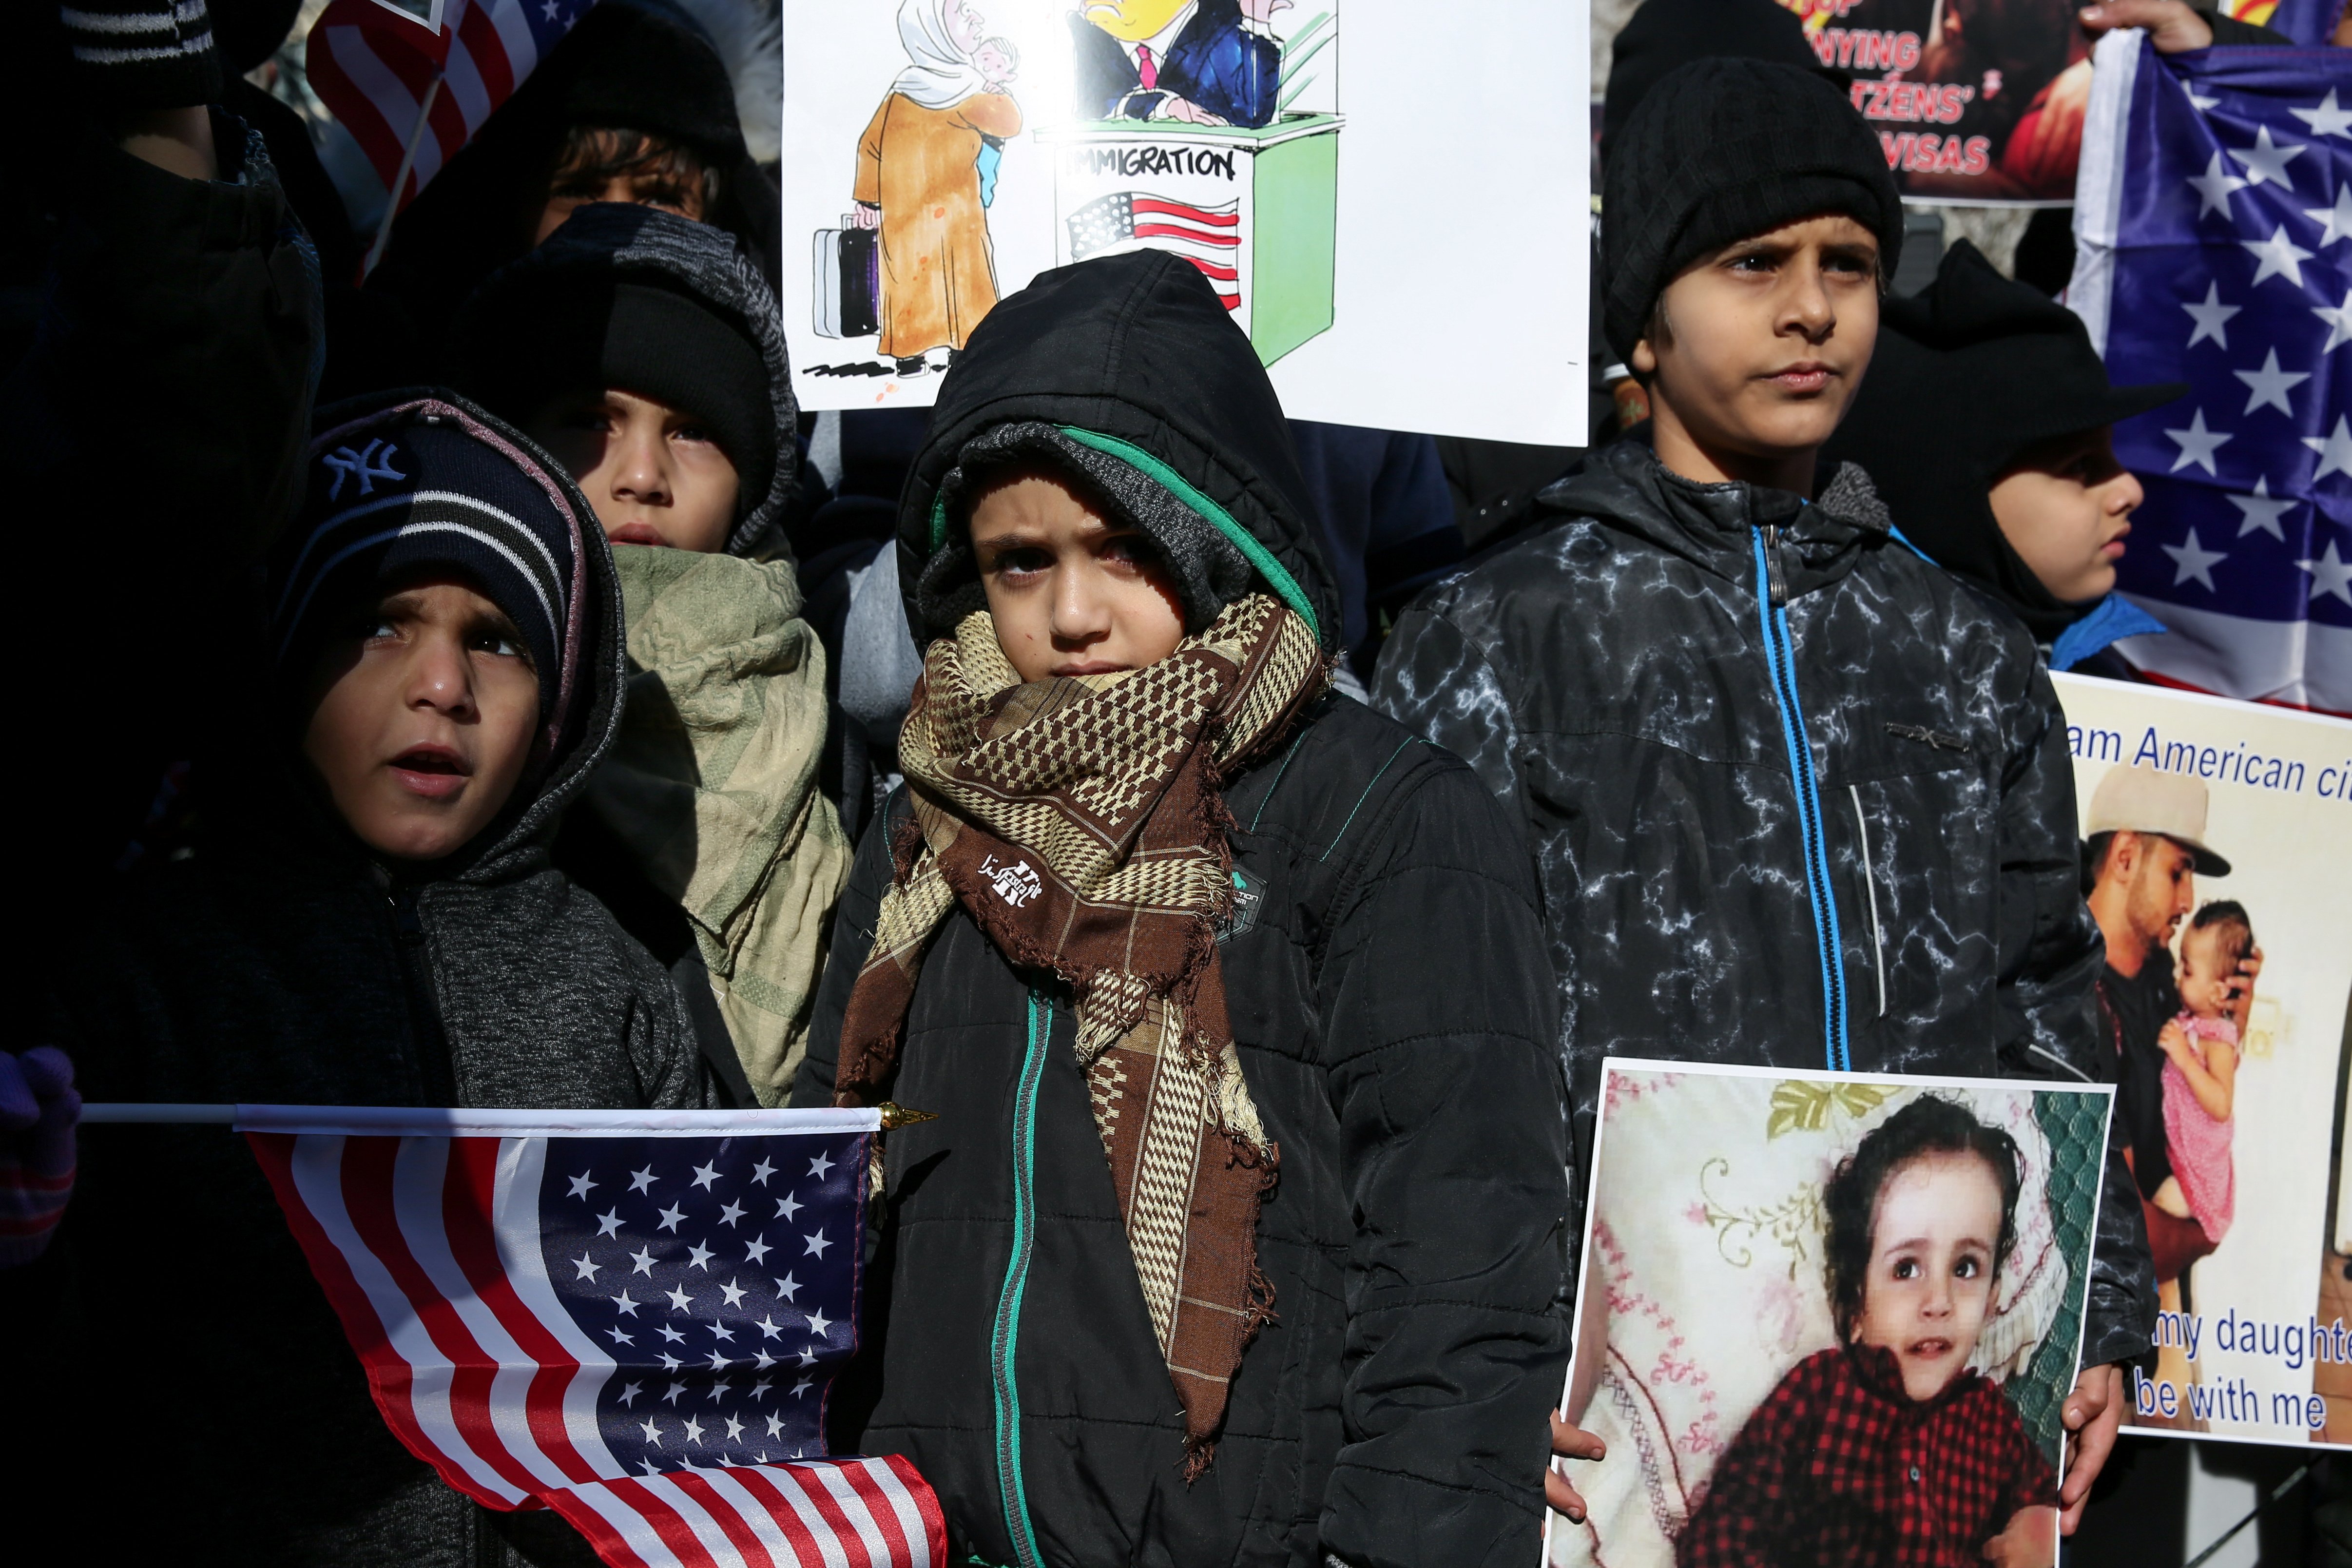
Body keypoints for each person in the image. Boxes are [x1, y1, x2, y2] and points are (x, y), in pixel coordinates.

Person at [1369, 57, 2152, 1535]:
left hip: (1922, 1398)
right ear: (1643, 320)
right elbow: (1428, 1041)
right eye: (1754, 265)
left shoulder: (1956, 642)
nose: (1812, 308)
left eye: (1849, 264)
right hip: (1614, 1405)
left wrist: (2098, 1306)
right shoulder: (1501, 629)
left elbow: (2048, 986)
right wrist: (1469, 1353)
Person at [790, 249, 1570, 1568]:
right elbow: (822, 1215)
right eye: (1020, 563)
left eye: (1123, 548)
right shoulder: (925, 822)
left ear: (1217, 538)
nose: (1074, 614)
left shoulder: (1379, 817)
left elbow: (1464, 1267)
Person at [26, 391, 708, 1561]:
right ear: (284, 661)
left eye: (495, 638)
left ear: (564, 702)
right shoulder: (137, 974)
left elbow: (685, 1364)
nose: (441, 683)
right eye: (380, 623)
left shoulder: (619, 981)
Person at [450, 203, 854, 1108]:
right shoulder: (441, 712)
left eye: (692, 432)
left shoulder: (838, 745)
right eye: (590, 418)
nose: (640, 473)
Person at [1679, 1097, 2059, 1568]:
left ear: (1993, 1297)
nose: (1938, 1301)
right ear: (1858, 1304)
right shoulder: (1821, 1391)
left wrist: (2042, 1529)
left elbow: (2048, 1506)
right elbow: (1723, 1534)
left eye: (1965, 1267)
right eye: (1906, 1268)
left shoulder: (1994, 1425)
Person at [359, 1, 783, 393]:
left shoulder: (775, 405)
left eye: (659, 196)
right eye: (579, 190)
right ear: (510, 212)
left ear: (716, 219)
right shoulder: (413, 397)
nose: (619, 227)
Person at [1819, 239, 2184, 676]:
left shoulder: (2108, 674)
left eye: (2111, 456)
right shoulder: (1848, 677)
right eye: (2081, 466)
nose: (2130, 490)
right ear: (1951, 501)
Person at [2081, 766, 2258, 1288]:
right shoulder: (2074, 1005)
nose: (2187, 900)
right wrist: (2207, 1234)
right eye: (2177, 872)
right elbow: (2125, 1243)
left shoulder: (2164, 974)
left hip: (2159, 1299)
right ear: (2125, 857)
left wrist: (2230, 1023)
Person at [852, 0, 1023, 377]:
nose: (976, 17)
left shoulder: (933, 91)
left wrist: (869, 198)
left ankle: (946, 353)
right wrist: (867, 200)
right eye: (962, 12)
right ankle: (925, 354)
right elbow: (872, 145)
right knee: (933, 282)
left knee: (956, 280)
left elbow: (869, 145)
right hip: (921, 214)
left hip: (946, 214)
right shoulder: (955, 93)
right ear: (934, 32)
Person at [2152, 900, 2251, 1246]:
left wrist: (2184, 1057)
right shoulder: (2190, 1020)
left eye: (2188, 969)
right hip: (2177, 1156)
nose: (2178, 974)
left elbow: (2222, 1104)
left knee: (2160, 1211)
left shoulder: (2218, 1038)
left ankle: (2163, 1297)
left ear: (2219, 991)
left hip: (2198, 1171)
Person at [1070, 0, 1278, 128]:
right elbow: (1092, 111)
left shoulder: (1223, 28)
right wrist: (1164, 105)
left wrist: (1257, 22)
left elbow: (1254, 115)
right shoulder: (1083, 33)